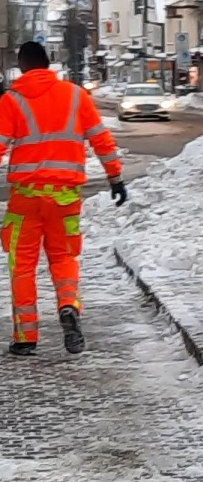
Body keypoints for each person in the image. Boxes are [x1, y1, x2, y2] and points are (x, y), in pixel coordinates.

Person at [0, 42, 128, 356]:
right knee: (64, 258)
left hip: (26, 200)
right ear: (49, 64)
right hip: (66, 198)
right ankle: (69, 306)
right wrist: (115, 177)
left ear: (22, 65)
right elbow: (101, 138)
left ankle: (26, 336)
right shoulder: (76, 96)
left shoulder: (12, 100)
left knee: (22, 266)